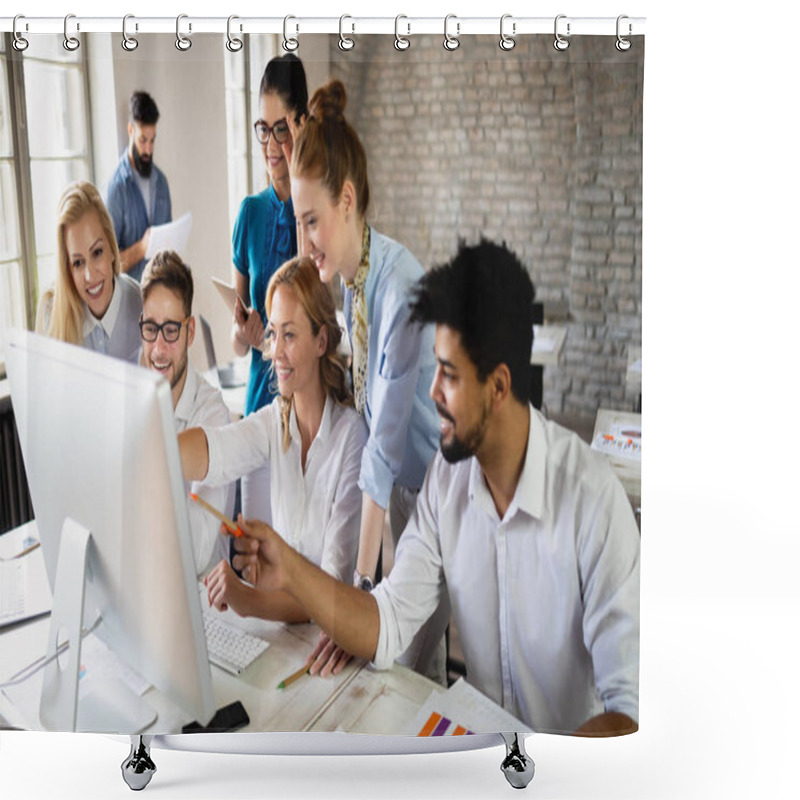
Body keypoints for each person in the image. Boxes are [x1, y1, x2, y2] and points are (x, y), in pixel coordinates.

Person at [231, 240, 641, 736]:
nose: (431, 392)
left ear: (499, 385)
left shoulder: (594, 501)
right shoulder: (445, 483)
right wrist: (289, 566)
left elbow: (629, 713)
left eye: (447, 375)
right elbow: (386, 621)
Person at [289, 78, 445, 681]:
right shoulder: (357, 281)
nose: (305, 245)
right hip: (399, 497)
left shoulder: (399, 289)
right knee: (387, 673)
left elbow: (382, 451)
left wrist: (358, 591)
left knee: (405, 672)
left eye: (313, 221)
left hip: (435, 497)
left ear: (347, 200)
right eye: (299, 224)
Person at [178, 256, 367, 622]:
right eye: (273, 333)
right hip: (282, 633)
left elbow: (329, 593)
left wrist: (244, 598)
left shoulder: (351, 439)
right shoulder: (273, 422)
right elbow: (215, 450)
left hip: (327, 641)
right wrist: (154, 448)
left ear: (321, 340)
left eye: (290, 335)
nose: (275, 352)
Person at [231, 53, 309, 525]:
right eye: (264, 129)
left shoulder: (313, 203)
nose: (271, 143)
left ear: (300, 125)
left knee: (298, 542)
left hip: (302, 400)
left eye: (281, 128)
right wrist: (244, 332)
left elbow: (313, 293)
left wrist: (300, 179)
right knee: (253, 536)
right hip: (259, 395)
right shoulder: (249, 213)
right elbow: (238, 339)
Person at [139, 250, 233, 575]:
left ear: (190, 332)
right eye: (151, 328)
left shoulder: (213, 417)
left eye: (171, 330)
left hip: (202, 601)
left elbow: (192, 552)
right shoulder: (133, 404)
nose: (159, 348)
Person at [36, 181, 142, 363]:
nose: (90, 276)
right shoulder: (51, 313)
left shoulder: (142, 306)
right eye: (78, 262)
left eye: (97, 252)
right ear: (67, 267)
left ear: (111, 247)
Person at [106, 91, 172, 282]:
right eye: (143, 140)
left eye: (152, 141)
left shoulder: (161, 182)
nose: (148, 150)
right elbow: (108, 265)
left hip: (161, 299)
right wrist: (141, 248)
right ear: (130, 130)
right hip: (130, 302)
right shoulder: (117, 188)